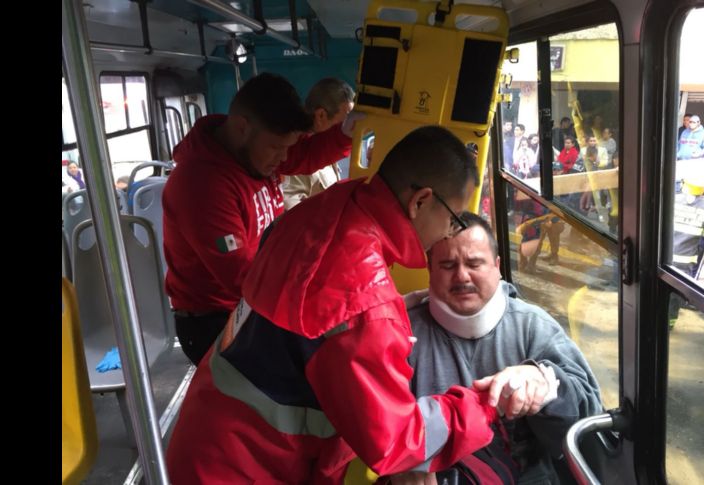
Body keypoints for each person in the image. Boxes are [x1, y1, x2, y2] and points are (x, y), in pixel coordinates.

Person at [166, 126, 515, 484]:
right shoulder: (364, 302)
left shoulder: (325, 210)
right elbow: (397, 440)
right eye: (453, 220)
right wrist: (486, 404)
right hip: (239, 469)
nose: (447, 234)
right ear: (421, 201)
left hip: (209, 432)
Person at [162, 72, 359, 365]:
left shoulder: (252, 149)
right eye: (277, 148)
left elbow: (304, 154)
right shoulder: (202, 184)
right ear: (242, 127)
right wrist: (322, 294)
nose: (283, 158)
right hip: (217, 320)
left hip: (253, 301)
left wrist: (348, 131)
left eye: (286, 148)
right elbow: (242, 275)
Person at [407, 212, 603, 483]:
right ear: (430, 270)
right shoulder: (401, 334)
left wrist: (546, 385)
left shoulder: (534, 327)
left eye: (475, 263)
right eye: (448, 265)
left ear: (498, 266)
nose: (462, 276)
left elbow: (590, 423)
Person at [282, 78, 355, 210]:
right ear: (321, 115)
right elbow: (289, 212)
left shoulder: (322, 146)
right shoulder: (293, 155)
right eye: (343, 123)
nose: (346, 130)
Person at [668, 175, 704, 328]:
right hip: (685, 260)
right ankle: (670, 323)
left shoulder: (673, 200)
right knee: (676, 291)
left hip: (664, 254)